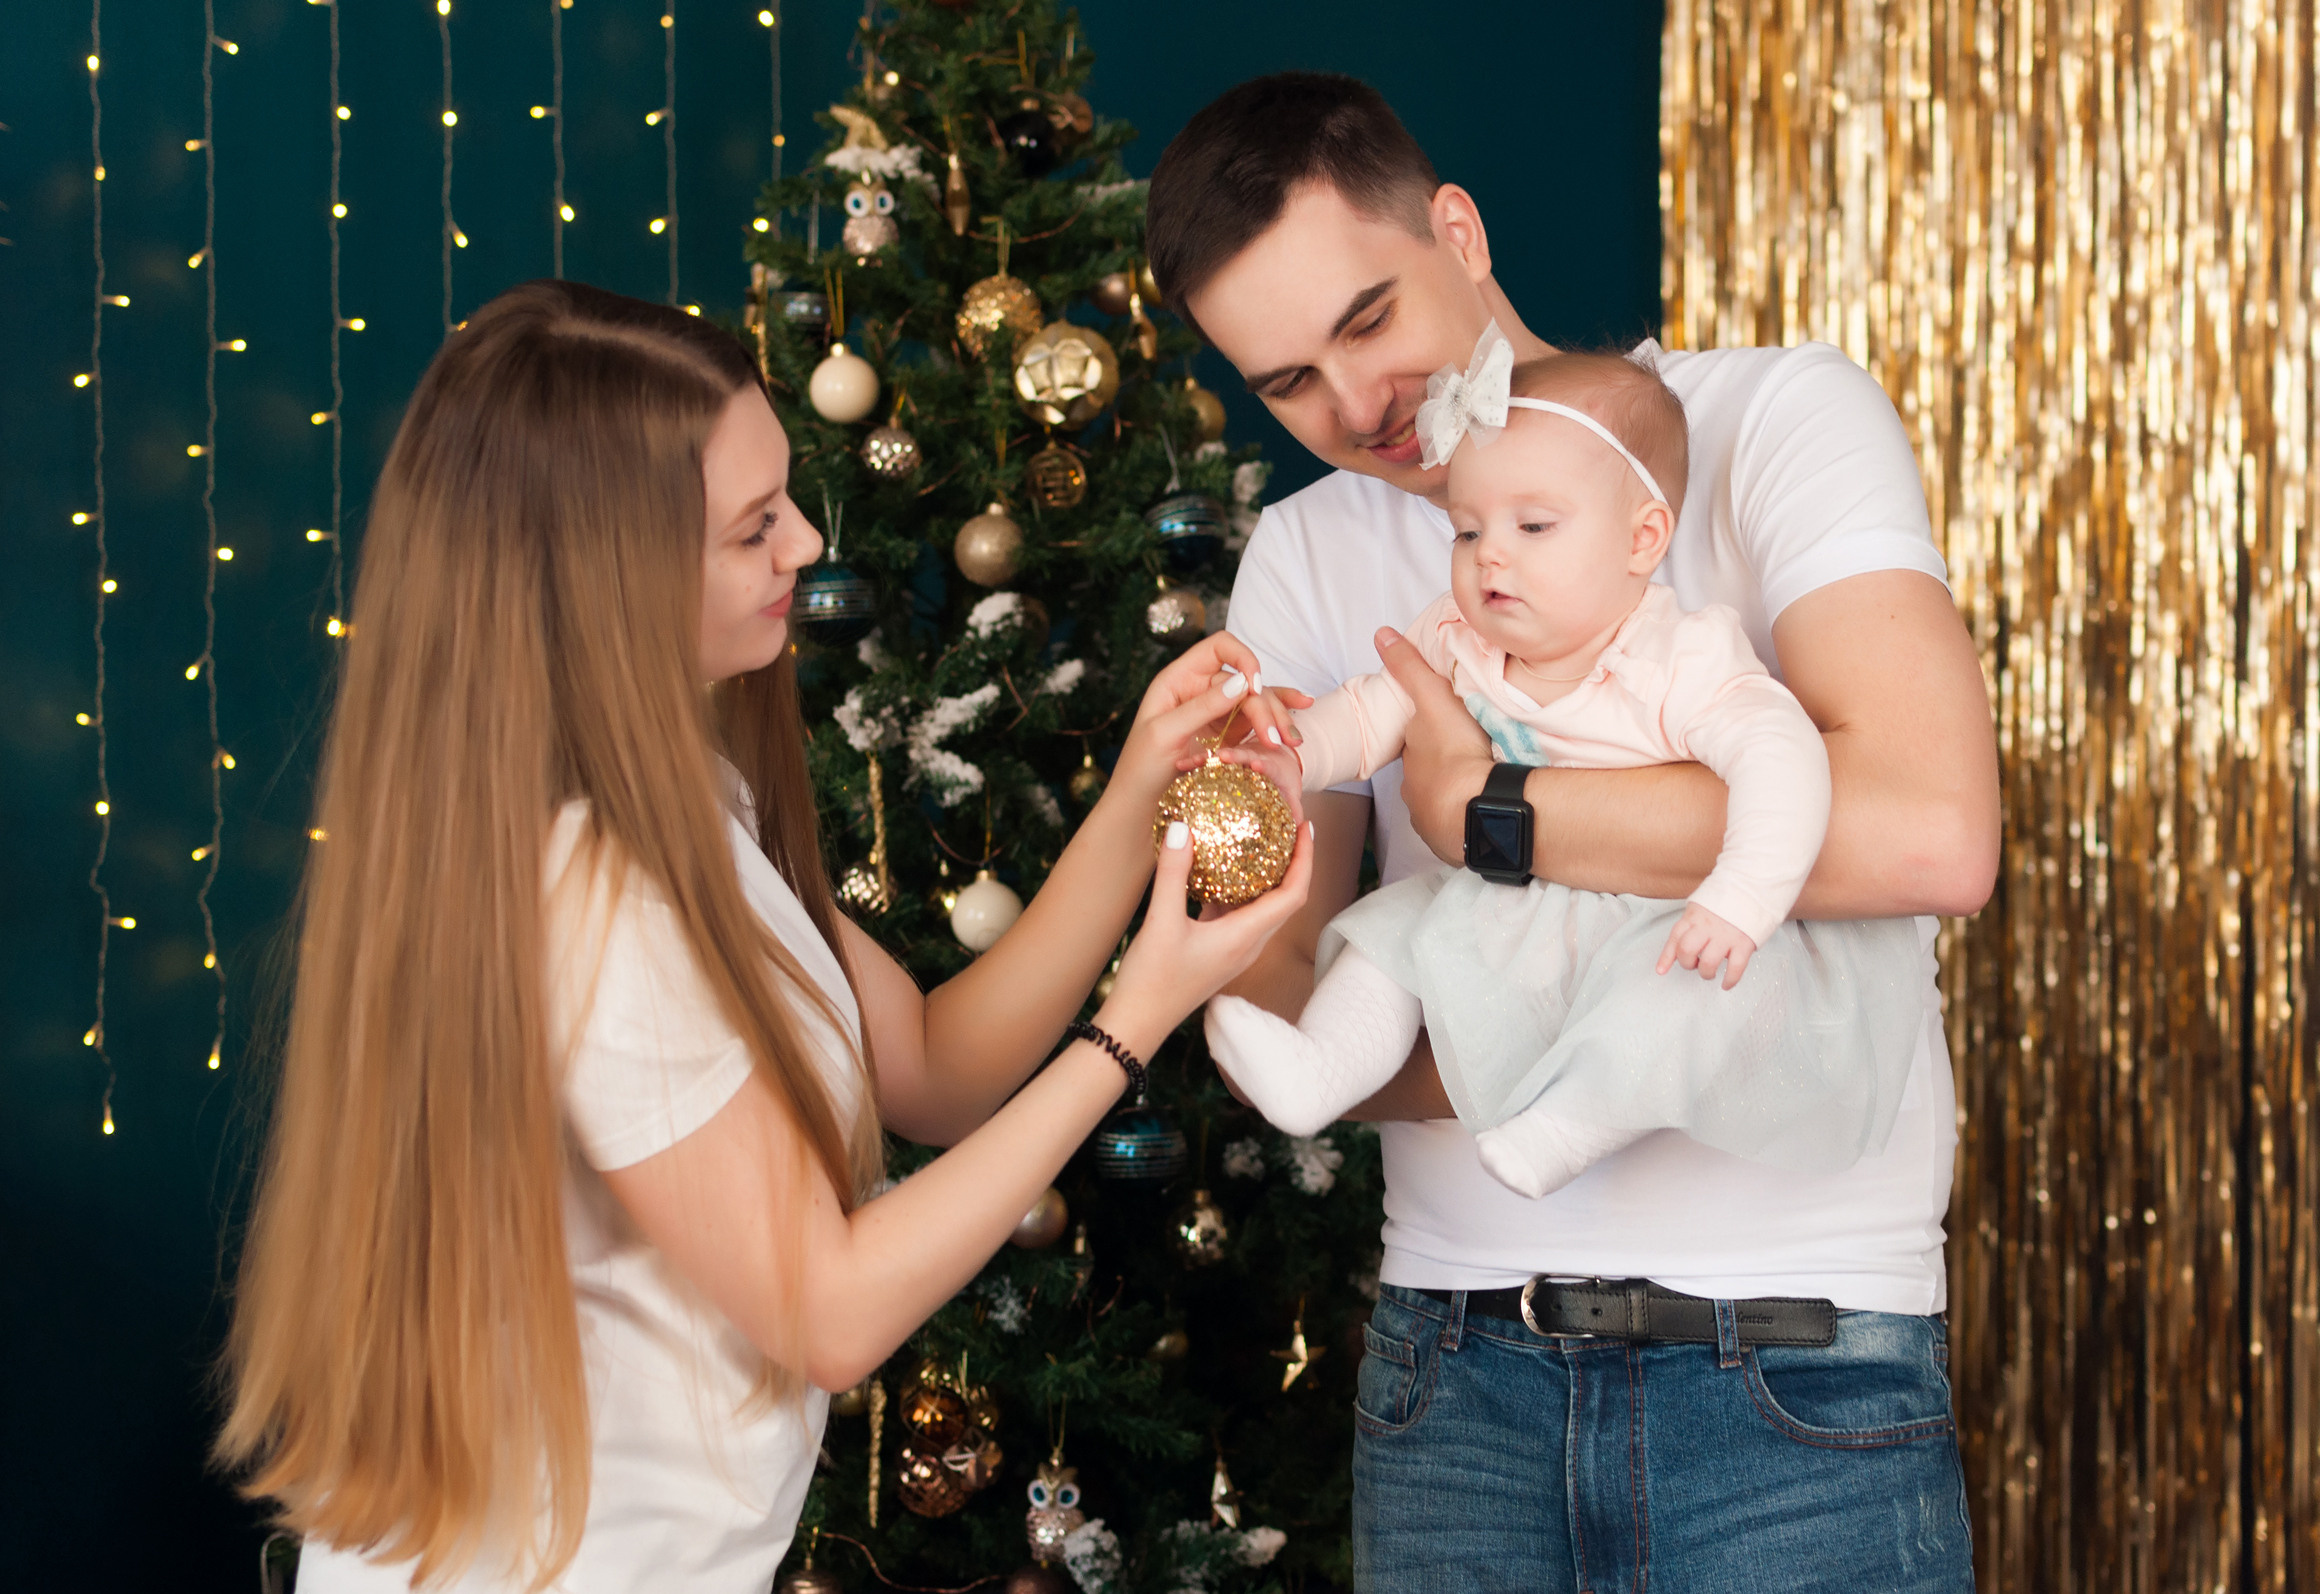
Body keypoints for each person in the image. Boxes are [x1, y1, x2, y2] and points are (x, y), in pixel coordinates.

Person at [215, 281, 1312, 1594]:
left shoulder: (686, 805)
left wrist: (1140, 792)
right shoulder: (597, 898)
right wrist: (1144, 1012)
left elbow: (932, 1060)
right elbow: (831, 1311)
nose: (804, 540)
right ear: (608, 578)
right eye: (752, 528)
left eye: (785, 496)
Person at [1146, 73, 1997, 1591]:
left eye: (1365, 322)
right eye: (1286, 384)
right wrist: (1229, 803)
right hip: (1453, 1375)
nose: (1356, 410)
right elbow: (1272, 988)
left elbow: (1931, 834)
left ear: (1457, 231)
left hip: (1798, 1362)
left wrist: (1492, 819)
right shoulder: (1310, 550)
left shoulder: (1769, 417)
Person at [1206, 339, 1929, 1200]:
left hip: (1651, 917)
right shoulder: (1459, 640)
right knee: (1392, 938)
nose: (1490, 557)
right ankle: (1321, 1068)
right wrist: (1293, 756)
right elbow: (1370, 713)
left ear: (1641, 538)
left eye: (1534, 527)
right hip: (1510, 913)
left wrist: (1740, 898)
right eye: (1467, 530)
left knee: (1676, 1006)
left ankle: (1568, 1124)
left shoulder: (1679, 656)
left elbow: (1786, 766)